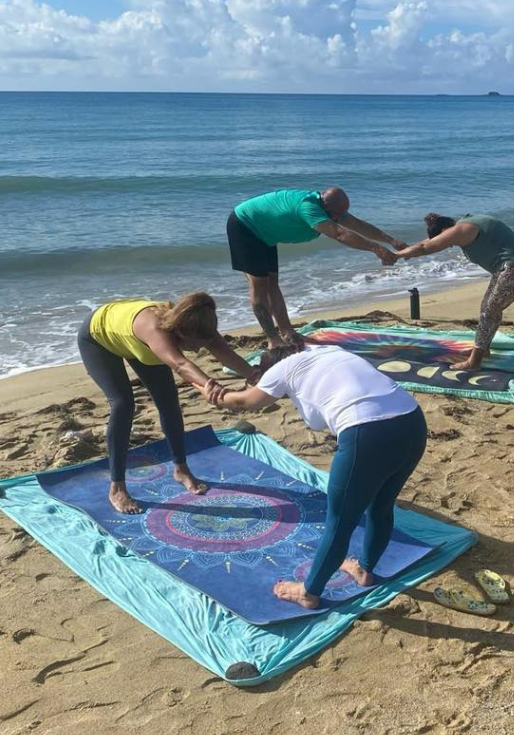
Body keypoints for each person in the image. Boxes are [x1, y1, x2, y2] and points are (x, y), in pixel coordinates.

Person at [207, 344, 427, 608]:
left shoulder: (282, 369)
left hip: (366, 433)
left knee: (339, 521)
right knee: (381, 504)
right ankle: (365, 570)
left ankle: (308, 592)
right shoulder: (326, 350)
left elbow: (243, 402)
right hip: (412, 422)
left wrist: (214, 394)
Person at [78, 292, 261, 514]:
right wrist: (209, 384)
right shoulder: (157, 331)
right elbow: (180, 364)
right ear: (180, 333)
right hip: (99, 338)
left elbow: (227, 355)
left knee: (168, 402)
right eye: (193, 346)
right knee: (123, 404)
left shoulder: (198, 322)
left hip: (136, 342)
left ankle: (181, 469)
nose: (197, 351)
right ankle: (117, 488)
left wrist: (254, 376)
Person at [226, 187, 406, 352]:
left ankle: (288, 332)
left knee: (272, 283)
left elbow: (356, 224)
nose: (339, 218)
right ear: (325, 205)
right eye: (336, 214)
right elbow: (340, 234)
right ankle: (273, 340)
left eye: (341, 214)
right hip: (245, 226)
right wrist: (376, 249)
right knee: (259, 285)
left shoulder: (330, 209)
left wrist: (391, 240)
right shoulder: (309, 208)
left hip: (265, 233)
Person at [394, 213, 514, 371]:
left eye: (448, 242)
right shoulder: (466, 223)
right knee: (488, 309)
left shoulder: (461, 229)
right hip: (511, 267)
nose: (449, 245)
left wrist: (395, 256)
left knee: (489, 311)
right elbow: (427, 243)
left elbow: (424, 248)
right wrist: (406, 251)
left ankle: (474, 362)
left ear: (444, 231)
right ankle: (482, 350)